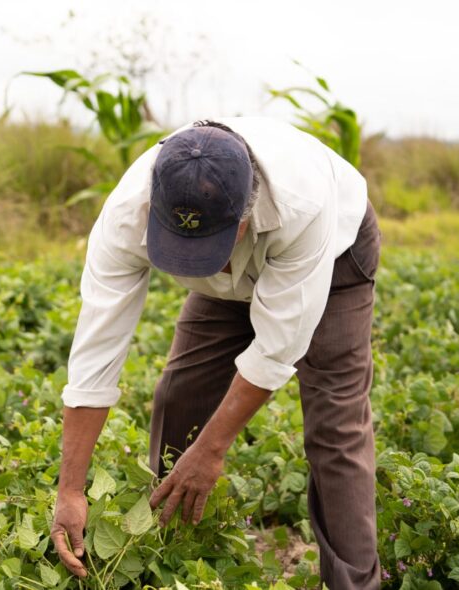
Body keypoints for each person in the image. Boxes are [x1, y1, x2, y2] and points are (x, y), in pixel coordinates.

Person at [50, 117, 382, 590]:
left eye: (206, 249)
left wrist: (210, 451)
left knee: (334, 429)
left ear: (244, 221)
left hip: (334, 256)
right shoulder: (128, 212)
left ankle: (355, 584)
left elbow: (274, 351)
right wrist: (70, 488)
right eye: (179, 247)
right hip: (239, 264)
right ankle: (173, 558)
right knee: (180, 395)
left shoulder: (302, 205)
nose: (201, 262)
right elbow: (95, 354)